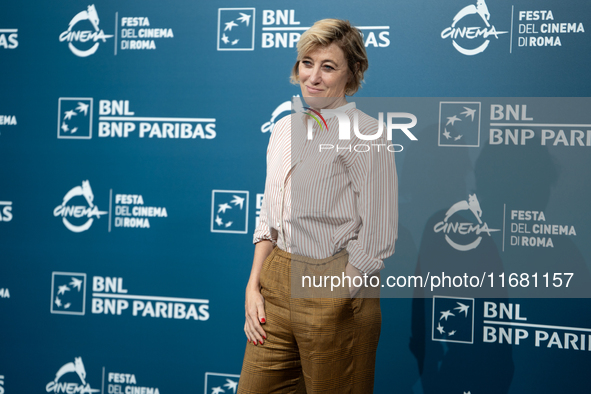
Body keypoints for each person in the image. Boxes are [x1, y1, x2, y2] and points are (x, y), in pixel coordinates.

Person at [238, 18, 398, 394]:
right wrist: (253, 285)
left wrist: (335, 294)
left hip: (337, 285)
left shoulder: (367, 134)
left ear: (352, 73)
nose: (313, 76)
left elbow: (377, 234)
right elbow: (269, 219)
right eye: (307, 62)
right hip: (275, 282)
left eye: (328, 67)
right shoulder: (282, 129)